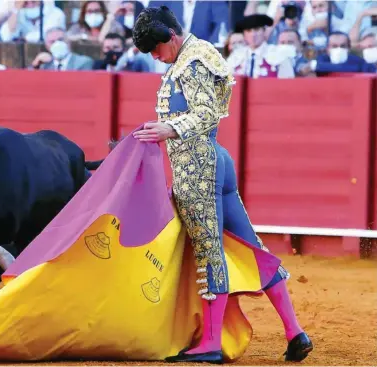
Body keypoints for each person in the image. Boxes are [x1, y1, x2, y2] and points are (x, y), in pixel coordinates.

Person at [130, 6, 313, 364]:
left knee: (208, 252)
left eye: (155, 48)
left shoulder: (192, 61)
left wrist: (169, 128)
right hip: (214, 160)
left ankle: (211, 343)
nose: (154, 56)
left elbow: (205, 111)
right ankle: (295, 332)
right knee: (250, 246)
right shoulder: (194, 53)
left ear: (170, 37)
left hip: (198, 167)